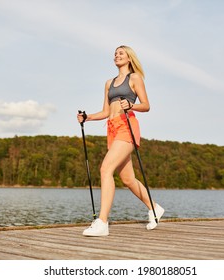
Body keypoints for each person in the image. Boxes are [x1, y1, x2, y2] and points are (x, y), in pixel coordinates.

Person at [77, 45, 164, 237]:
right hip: (112, 128)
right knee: (128, 179)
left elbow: (146, 105)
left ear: (129, 58)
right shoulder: (109, 83)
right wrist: (87, 117)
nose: (117, 55)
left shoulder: (134, 78)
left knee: (105, 169)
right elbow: (106, 112)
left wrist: (132, 105)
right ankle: (154, 208)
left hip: (127, 126)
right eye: (115, 53)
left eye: (121, 53)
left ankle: (102, 222)